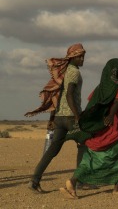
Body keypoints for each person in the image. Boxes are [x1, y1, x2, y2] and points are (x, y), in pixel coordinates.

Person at [60, 59, 118, 199]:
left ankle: (73, 181)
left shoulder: (100, 87)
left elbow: (91, 103)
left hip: (98, 128)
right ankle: (117, 187)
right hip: (114, 127)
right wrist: (110, 115)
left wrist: (88, 125)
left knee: (90, 158)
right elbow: (117, 101)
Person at [26, 43, 87, 194]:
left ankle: (34, 181)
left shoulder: (64, 72)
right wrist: (78, 116)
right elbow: (68, 95)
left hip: (60, 117)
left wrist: (52, 118)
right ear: (72, 57)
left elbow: (57, 97)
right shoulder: (74, 73)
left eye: (83, 56)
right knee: (84, 145)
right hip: (71, 118)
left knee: (52, 151)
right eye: (80, 56)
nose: (83, 59)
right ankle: (80, 181)